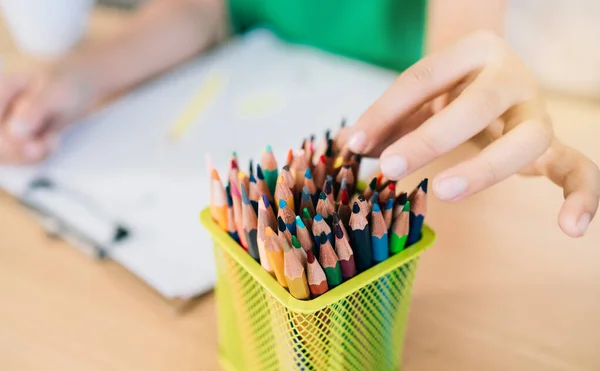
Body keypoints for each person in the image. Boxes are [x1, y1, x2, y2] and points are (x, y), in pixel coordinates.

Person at [0, 0, 597, 238]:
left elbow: (461, 55)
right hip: (252, 92)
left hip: (397, 169)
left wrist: (493, 108)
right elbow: (193, 10)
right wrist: (78, 78)